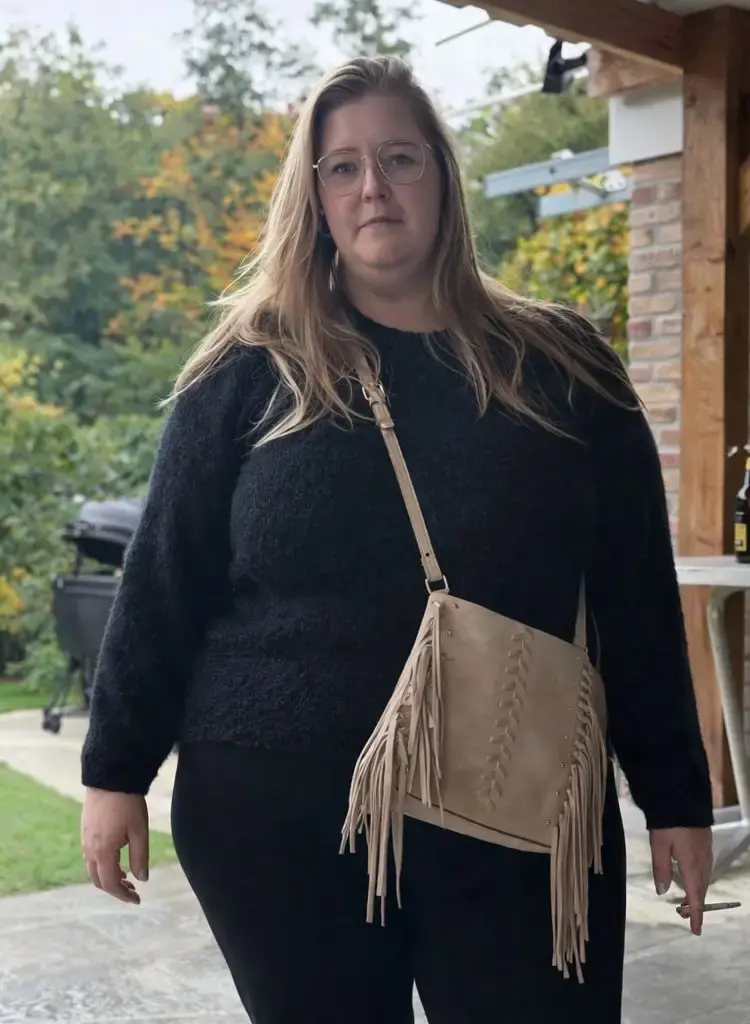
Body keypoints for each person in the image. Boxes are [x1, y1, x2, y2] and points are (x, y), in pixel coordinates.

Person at [80, 55, 713, 1024]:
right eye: (342, 167)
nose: (372, 186)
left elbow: (635, 596)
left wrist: (675, 797)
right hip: (280, 813)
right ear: (315, 198)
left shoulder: (563, 364)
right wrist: (115, 773)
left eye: (400, 158)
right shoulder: (251, 367)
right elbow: (164, 578)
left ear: (443, 177)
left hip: (518, 797)